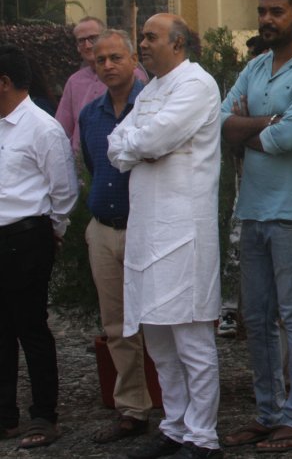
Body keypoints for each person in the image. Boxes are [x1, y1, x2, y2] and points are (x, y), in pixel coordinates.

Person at [107, 14, 223, 459]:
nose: (143, 43)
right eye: (142, 36)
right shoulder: (151, 89)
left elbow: (153, 140)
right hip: (146, 232)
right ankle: (174, 426)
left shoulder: (196, 84)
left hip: (183, 231)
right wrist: (140, 148)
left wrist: (141, 147)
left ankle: (202, 436)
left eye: (151, 37)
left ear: (177, 43)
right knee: (157, 339)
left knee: (191, 339)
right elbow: (117, 144)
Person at [219, 0, 292, 452]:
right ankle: (267, 413)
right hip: (253, 207)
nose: (266, 19)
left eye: (276, 11)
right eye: (262, 10)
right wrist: (265, 123)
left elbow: (290, 137)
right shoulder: (256, 65)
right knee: (257, 318)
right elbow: (220, 122)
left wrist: (247, 129)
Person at [0, 44, 77, 450]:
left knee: (31, 327)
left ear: (4, 82)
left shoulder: (42, 127)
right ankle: (5, 416)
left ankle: (45, 414)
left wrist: (52, 231)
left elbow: (64, 190)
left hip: (27, 236)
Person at [78, 30, 152, 444]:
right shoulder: (91, 114)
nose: (107, 65)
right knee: (116, 325)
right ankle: (132, 408)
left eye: (115, 57)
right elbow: (94, 166)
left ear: (133, 60)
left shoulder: (153, 105)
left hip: (147, 229)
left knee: (160, 321)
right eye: (100, 59)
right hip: (104, 230)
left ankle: (177, 408)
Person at [55, 16, 146, 150]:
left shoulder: (133, 75)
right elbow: (61, 130)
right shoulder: (74, 81)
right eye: (81, 41)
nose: (87, 45)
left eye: (93, 38)